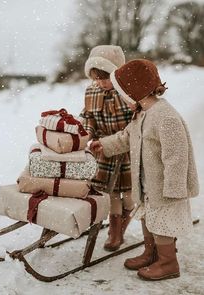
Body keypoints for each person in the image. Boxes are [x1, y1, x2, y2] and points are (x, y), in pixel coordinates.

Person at [90, 59, 199, 280]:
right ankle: (151, 253)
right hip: (147, 184)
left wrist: (174, 188)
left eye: (123, 94)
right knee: (148, 219)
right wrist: (106, 144)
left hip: (165, 189)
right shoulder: (141, 114)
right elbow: (127, 136)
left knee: (162, 225)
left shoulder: (165, 117)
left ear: (134, 91)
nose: (122, 98)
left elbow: (177, 156)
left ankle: (168, 263)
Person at [80, 45, 134, 251]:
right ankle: (115, 230)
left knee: (130, 194)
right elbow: (89, 117)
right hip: (102, 150)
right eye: (96, 78)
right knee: (109, 192)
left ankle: (124, 221)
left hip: (128, 150)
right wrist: (86, 133)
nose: (101, 83)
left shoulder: (130, 92)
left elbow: (138, 121)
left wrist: (121, 140)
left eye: (105, 78)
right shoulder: (92, 91)